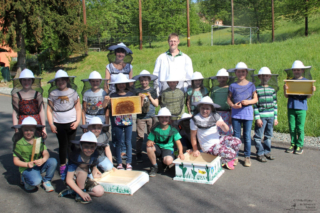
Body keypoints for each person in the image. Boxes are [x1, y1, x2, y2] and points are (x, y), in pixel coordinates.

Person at [188, 97, 242, 170]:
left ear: (211, 109)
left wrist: (223, 124)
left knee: (237, 142)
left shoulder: (215, 116)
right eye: (202, 108)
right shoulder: (195, 119)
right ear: (199, 108)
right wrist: (195, 149)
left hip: (217, 139)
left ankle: (227, 159)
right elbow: (193, 135)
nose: (204, 110)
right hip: (208, 146)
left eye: (207, 108)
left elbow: (226, 130)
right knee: (231, 153)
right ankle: (221, 161)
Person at [47, 69, 81, 175]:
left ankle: (72, 164)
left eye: (63, 80)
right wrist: (51, 124)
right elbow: (49, 110)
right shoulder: (53, 93)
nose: (60, 82)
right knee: (62, 145)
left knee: (71, 145)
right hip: (58, 122)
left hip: (71, 122)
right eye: (58, 80)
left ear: (67, 80)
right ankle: (62, 166)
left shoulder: (72, 92)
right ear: (55, 82)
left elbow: (78, 108)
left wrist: (77, 122)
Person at [12, 117, 57, 191]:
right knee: (36, 181)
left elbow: (46, 153)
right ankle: (25, 179)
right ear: (22, 130)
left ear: (35, 130)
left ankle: (46, 180)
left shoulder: (37, 140)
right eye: (26, 130)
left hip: (37, 165)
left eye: (31, 130)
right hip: (26, 168)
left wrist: (43, 159)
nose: (29, 132)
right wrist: (27, 164)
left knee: (53, 161)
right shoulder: (19, 143)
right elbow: (15, 161)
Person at [59, 132, 105, 204]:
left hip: (84, 178)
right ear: (80, 146)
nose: (89, 150)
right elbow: (69, 180)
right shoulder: (75, 157)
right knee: (84, 169)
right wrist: (81, 193)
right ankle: (80, 194)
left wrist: (95, 171)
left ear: (95, 147)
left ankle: (74, 192)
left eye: (92, 147)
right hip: (72, 179)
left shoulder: (94, 154)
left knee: (100, 192)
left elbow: (93, 167)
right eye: (86, 147)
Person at [105, 73, 140, 170]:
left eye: (123, 83)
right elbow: (107, 108)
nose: (121, 85)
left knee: (128, 142)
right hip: (117, 122)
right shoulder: (113, 95)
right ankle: (119, 163)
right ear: (116, 85)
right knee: (119, 142)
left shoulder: (131, 94)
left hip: (128, 121)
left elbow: (137, 106)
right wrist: (107, 101)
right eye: (119, 83)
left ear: (126, 84)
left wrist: (141, 98)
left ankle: (129, 162)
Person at [227, 62, 258, 167]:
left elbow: (255, 99)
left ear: (246, 72)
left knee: (247, 136)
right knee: (236, 136)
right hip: (236, 114)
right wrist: (233, 106)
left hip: (248, 113)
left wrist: (248, 102)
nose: (241, 73)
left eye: (243, 71)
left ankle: (247, 157)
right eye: (239, 71)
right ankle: (234, 156)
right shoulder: (233, 85)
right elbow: (228, 99)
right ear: (235, 73)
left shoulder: (251, 85)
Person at [284, 60, 316, 154]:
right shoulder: (289, 82)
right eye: (295, 70)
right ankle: (293, 144)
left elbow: (308, 96)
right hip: (291, 107)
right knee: (292, 127)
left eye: (298, 70)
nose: (296, 72)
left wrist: (312, 91)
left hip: (302, 108)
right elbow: (286, 96)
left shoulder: (307, 82)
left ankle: (300, 145)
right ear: (293, 71)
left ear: (302, 70)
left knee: (300, 128)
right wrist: (285, 90)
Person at [146, 107, 185, 177]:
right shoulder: (155, 129)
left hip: (168, 148)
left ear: (169, 118)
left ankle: (165, 160)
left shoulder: (173, 130)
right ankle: (155, 166)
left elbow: (178, 143)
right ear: (159, 118)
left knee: (168, 161)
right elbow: (150, 140)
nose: (164, 119)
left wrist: (181, 153)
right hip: (157, 148)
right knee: (149, 148)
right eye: (162, 117)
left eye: (166, 117)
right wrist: (149, 142)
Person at [132, 70, 159, 163]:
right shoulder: (137, 91)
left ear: (149, 80)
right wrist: (141, 99)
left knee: (151, 135)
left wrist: (150, 97)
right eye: (142, 80)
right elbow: (136, 107)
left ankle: (152, 152)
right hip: (141, 117)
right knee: (140, 136)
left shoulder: (153, 90)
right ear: (139, 81)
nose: (144, 82)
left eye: (146, 80)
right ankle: (138, 153)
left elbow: (156, 104)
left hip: (151, 116)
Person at [12, 68, 46, 138]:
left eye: (29, 80)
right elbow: (15, 112)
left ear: (32, 81)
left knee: (37, 145)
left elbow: (41, 111)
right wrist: (16, 128)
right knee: (23, 145)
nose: (26, 82)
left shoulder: (37, 94)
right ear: (21, 81)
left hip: (36, 123)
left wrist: (44, 128)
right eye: (24, 80)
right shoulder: (16, 95)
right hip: (22, 123)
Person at [253, 67, 278, 162]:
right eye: (263, 76)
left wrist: (275, 117)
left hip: (271, 116)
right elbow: (255, 105)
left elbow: (275, 104)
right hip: (262, 117)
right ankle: (260, 153)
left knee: (268, 136)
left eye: (267, 76)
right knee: (258, 136)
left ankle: (267, 152)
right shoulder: (256, 90)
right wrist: (257, 118)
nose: (265, 77)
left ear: (270, 77)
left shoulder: (272, 90)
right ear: (259, 77)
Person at [210, 68, 233, 136]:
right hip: (216, 113)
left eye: (224, 78)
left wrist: (231, 116)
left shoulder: (230, 89)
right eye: (220, 78)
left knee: (227, 130)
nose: (222, 79)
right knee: (216, 131)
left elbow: (232, 103)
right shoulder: (214, 89)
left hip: (227, 113)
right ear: (217, 78)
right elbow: (211, 103)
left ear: (227, 78)